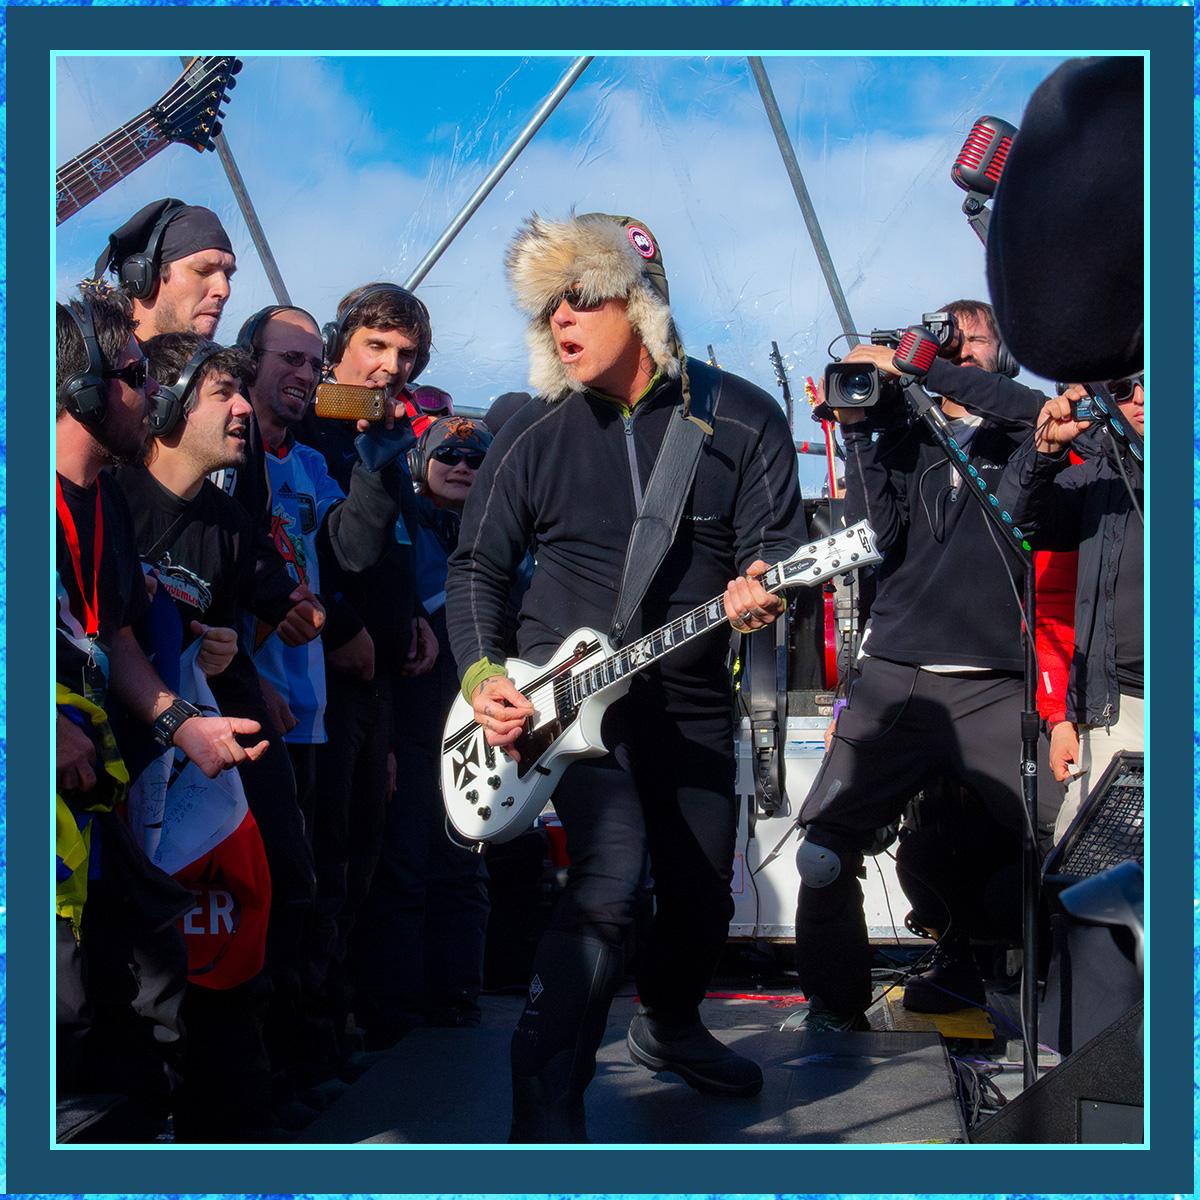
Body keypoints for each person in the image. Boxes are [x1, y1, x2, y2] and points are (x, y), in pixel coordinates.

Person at [445, 212, 806, 1141]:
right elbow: (478, 565)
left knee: (701, 891)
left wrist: (765, 587)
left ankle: (671, 1025)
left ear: (640, 306)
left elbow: (780, 551)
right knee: (609, 878)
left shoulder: (741, 418)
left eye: (581, 297)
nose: (560, 319)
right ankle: (544, 1107)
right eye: (548, 306)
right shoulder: (533, 430)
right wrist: (484, 673)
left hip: (688, 699)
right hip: (562, 704)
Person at [793, 298, 1052, 1031]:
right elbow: (877, 534)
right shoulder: (907, 435)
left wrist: (926, 367)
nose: (957, 353)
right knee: (826, 851)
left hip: (997, 680)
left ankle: (1054, 1002)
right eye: (945, 342)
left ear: (1004, 356)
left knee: (1061, 845)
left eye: (973, 343)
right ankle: (834, 1012)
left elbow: (1035, 414)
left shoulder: (1027, 432)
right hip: (898, 669)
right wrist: (861, 430)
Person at [55, 291, 267, 1129]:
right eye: (137, 375)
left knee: (144, 985)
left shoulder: (101, 500)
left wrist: (186, 725)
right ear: (81, 388)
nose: (154, 395)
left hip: (95, 798)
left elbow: (118, 641)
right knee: (62, 1012)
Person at [289, 283, 438, 1042]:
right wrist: (344, 627)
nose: (391, 365)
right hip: (322, 674)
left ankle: (335, 1021)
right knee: (325, 851)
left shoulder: (386, 434)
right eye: (376, 346)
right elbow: (330, 550)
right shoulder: (308, 428)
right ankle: (309, 1032)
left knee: (364, 851)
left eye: (405, 353)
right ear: (338, 345)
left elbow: (392, 545)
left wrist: (414, 617)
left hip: (380, 677)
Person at [353, 415, 493, 1042]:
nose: (462, 466)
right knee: (405, 858)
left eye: (475, 458)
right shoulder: (403, 522)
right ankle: (396, 1009)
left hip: (478, 716)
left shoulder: (505, 534)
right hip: (411, 709)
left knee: (465, 861)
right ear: (419, 463)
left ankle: (458, 993)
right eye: (449, 455)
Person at [997, 375, 1145, 842]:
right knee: (1087, 868)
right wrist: (1043, 451)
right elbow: (1014, 523)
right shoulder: (1098, 476)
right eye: (1123, 389)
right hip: (1123, 710)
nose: (1141, 397)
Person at [94, 198, 237, 339]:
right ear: (142, 277)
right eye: (203, 271)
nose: (224, 290)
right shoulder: (86, 353)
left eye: (228, 276)